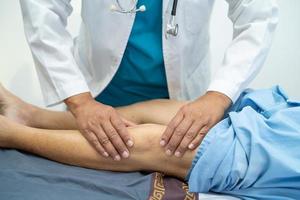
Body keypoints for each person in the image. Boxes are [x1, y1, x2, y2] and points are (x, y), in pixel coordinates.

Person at [19, 0, 279, 160]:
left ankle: (20, 123)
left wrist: (219, 95)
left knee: (150, 150)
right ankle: (21, 122)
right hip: (95, 91)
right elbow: (42, 10)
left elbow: (259, 17)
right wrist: (80, 101)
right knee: (104, 145)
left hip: (178, 103)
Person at [0, 84, 300, 199]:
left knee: (155, 142)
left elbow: (256, 20)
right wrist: (218, 96)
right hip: (287, 117)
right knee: (153, 111)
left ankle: (12, 133)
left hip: (285, 156)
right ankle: (29, 115)